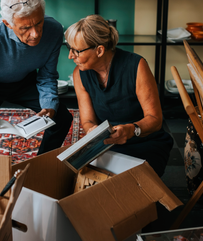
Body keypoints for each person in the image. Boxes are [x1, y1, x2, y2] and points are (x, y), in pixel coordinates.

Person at [0, 0, 73, 162]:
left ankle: (42, 164)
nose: (35, 34)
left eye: (39, 23)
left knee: (61, 117)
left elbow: (47, 75)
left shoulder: (54, 31)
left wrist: (49, 105)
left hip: (24, 80)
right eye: (25, 28)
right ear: (8, 24)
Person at [65, 15, 173, 177]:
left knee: (129, 185)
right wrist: (93, 131)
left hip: (144, 141)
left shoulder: (136, 66)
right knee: (78, 178)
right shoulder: (79, 75)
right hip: (108, 144)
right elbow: (88, 121)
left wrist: (132, 129)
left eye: (77, 51)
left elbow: (155, 120)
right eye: (70, 49)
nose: (70, 56)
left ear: (100, 50)